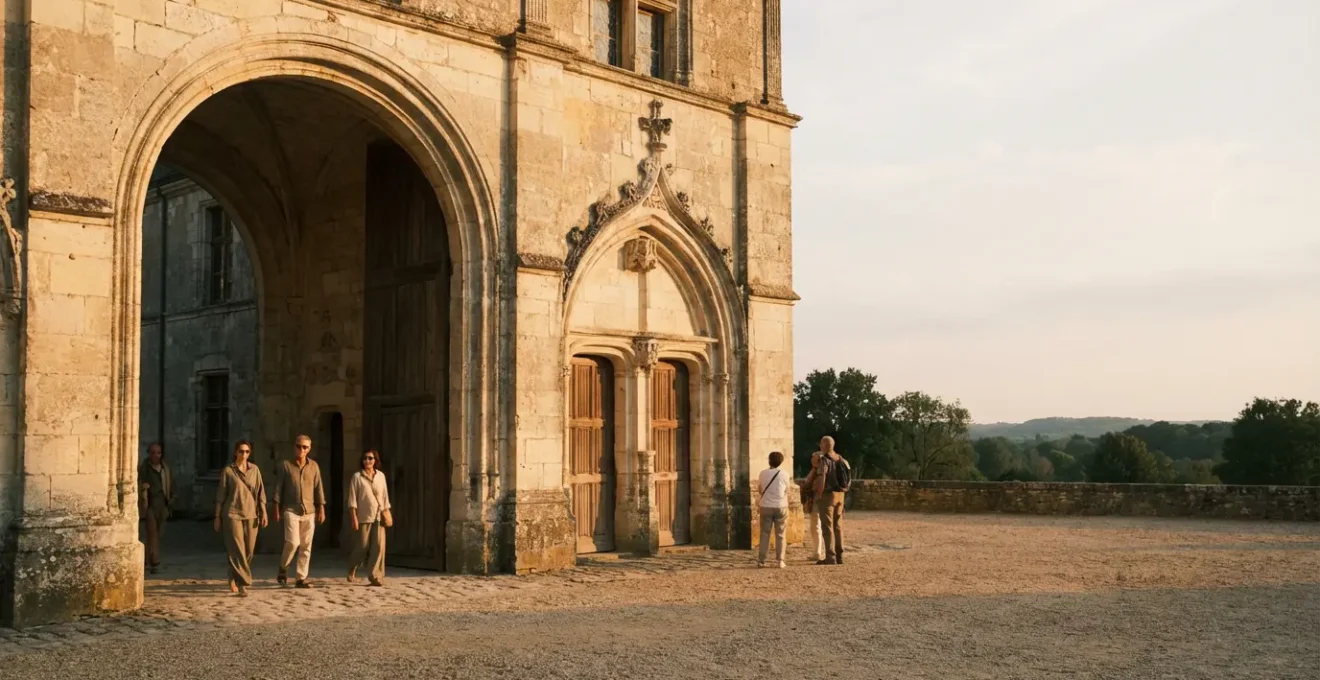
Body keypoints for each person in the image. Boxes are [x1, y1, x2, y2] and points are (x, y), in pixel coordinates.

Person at [213, 440, 268, 597]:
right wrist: (217, 516)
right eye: (241, 451)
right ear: (235, 452)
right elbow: (221, 495)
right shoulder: (228, 471)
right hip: (232, 514)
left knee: (249, 550)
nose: (244, 454)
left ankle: (232, 574)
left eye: (247, 452)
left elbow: (260, 492)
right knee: (237, 549)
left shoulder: (255, 470)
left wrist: (263, 512)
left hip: (251, 514)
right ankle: (243, 583)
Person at [273, 434, 326, 588]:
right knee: (293, 542)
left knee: (306, 546)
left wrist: (321, 508)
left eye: (305, 447)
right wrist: (276, 508)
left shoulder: (314, 466)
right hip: (291, 509)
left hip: (309, 510)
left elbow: (318, 488)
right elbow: (278, 488)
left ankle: (301, 578)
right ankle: (283, 567)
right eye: (299, 446)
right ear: (294, 447)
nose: (301, 449)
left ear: (309, 449)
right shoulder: (286, 466)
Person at [347, 449, 393, 587]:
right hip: (364, 516)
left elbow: (384, 496)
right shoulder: (357, 477)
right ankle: (352, 567)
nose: (367, 461)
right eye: (365, 458)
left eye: (370, 458)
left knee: (378, 547)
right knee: (362, 547)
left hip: (378, 516)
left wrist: (387, 512)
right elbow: (352, 499)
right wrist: (354, 517)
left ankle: (374, 576)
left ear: (375, 460)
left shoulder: (381, 476)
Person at [811, 436, 851, 565]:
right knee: (838, 526)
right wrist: (843, 491)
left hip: (828, 496)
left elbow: (822, 478)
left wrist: (819, 494)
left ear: (823, 446)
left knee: (827, 527)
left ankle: (830, 556)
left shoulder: (824, 460)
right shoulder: (842, 459)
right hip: (840, 495)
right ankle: (840, 555)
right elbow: (849, 478)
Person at [137, 442, 173, 574]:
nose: (156, 456)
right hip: (150, 503)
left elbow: (171, 484)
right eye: (153, 453)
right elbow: (138, 482)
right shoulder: (145, 468)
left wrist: (172, 499)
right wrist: (143, 487)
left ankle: (146, 559)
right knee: (152, 532)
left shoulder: (165, 468)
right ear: (149, 454)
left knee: (158, 533)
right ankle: (155, 561)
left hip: (162, 504)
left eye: (158, 453)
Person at [756, 451, 791, 568]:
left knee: (764, 533)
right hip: (780, 505)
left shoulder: (763, 473)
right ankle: (780, 560)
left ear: (769, 461)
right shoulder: (785, 474)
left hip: (765, 505)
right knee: (780, 534)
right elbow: (786, 490)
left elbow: (760, 489)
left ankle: (761, 560)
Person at [800, 451, 826, 563]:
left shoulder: (818, 471)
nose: (811, 460)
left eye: (814, 458)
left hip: (817, 501)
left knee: (816, 526)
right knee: (816, 526)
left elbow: (808, 484)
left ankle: (817, 552)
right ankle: (818, 551)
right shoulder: (816, 470)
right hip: (817, 500)